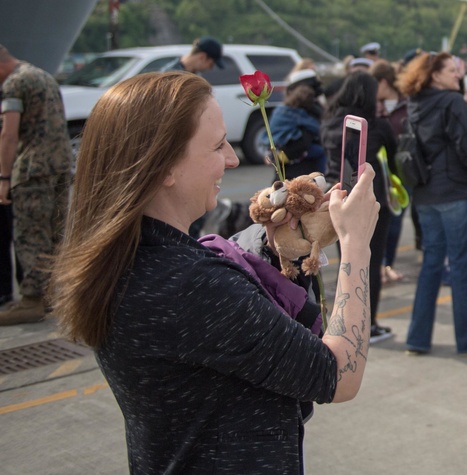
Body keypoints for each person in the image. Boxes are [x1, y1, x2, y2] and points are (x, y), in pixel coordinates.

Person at [49, 71, 379, 472]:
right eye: (218, 145)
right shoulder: (190, 284)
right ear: (163, 168)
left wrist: (277, 248)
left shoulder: (128, 259)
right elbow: (338, 374)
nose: (233, 159)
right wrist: (356, 243)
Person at [398, 52, 467, 355]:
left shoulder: (414, 103)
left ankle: (418, 339)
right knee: (462, 267)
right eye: (451, 70)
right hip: (455, 192)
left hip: (424, 195)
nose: (457, 76)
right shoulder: (451, 102)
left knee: (431, 266)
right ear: (435, 74)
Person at [322, 72, 399, 344]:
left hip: (338, 198)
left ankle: (346, 324)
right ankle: (368, 326)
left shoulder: (331, 123)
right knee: (369, 263)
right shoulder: (377, 126)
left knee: (347, 263)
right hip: (368, 202)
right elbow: (394, 156)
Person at [0, 45, 73, 325]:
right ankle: (54, 294)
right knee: (55, 232)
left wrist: (4, 177)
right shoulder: (44, 76)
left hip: (32, 169)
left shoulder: (15, 84)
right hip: (60, 165)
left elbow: (9, 134)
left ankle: (31, 299)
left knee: (31, 233)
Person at [371, 59, 409, 283]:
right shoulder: (373, 106)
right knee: (379, 222)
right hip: (379, 174)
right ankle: (380, 265)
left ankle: (388, 264)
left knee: (396, 221)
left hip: (401, 173)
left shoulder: (407, 103)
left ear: (383, 82)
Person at [269, 68, 326, 180]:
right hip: (297, 163)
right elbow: (318, 130)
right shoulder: (297, 112)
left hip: (286, 163)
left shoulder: (282, 110)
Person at [161, 36, 225, 74]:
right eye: (211, 64)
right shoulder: (172, 76)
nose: (210, 69)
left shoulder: (193, 75)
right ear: (202, 57)